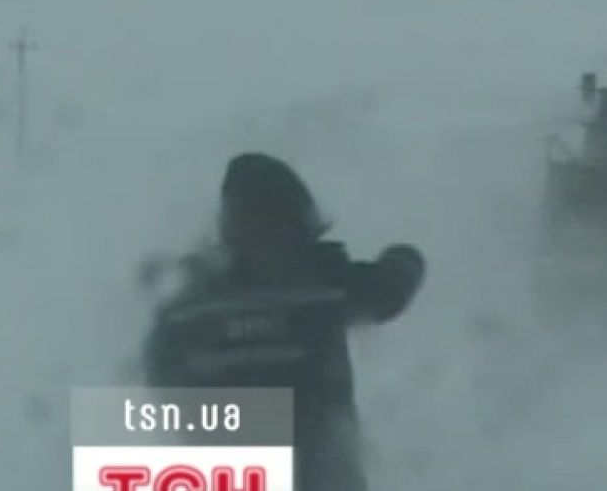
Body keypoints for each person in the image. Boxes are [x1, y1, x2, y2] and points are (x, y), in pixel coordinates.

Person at [143, 153, 425, 491]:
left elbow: (160, 372)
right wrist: (404, 260)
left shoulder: (197, 301)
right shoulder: (324, 281)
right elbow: (387, 294)